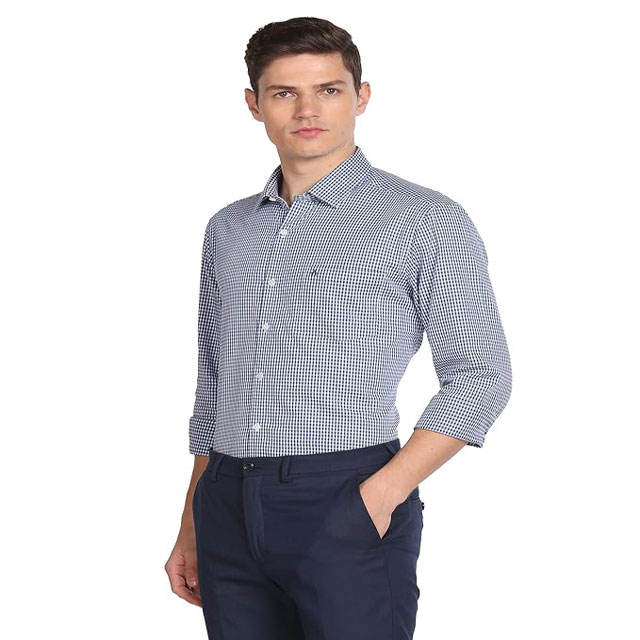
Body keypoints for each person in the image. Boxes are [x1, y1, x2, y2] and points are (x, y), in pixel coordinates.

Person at [165, 16, 512, 640]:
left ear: (361, 96)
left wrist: (379, 496)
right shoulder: (229, 228)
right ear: (254, 104)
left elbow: (481, 376)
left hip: (345, 492)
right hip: (225, 503)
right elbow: (214, 382)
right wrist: (193, 520)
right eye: (284, 93)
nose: (307, 110)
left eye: (328, 90)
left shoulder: (423, 218)